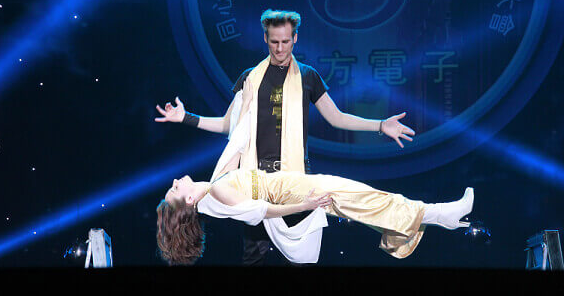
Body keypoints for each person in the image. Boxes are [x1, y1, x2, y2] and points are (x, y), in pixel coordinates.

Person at [155, 9, 416, 265]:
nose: (280, 48)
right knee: (254, 256)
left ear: (295, 39)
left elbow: (336, 117)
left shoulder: (308, 76)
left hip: (293, 177)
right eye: (274, 42)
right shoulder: (250, 78)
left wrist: (380, 125)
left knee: (307, 248)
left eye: (285, 41)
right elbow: (228, 124)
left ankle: (401, 226)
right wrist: (186, 117)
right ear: (265, 39)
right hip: (253, 183)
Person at [155, 100, 474, 266]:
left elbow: (237, 142)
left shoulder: (213, 185)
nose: (175, 180)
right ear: (189, 201)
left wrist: (195, 116)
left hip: (291, 183)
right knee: (360, 197)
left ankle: (425, 223)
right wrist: (305, 204)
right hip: (293, 191)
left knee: (360, 203)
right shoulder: (217, 192)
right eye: (175, 189)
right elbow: (261, 211)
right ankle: (437, 214)